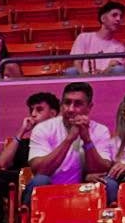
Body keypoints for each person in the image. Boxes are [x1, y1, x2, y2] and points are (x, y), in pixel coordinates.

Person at [27, 79, 117, 207]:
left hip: (85, 189)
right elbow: (40, 170)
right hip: (51, 188)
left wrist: (87, 140)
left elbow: (102, 169)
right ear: (61, 104)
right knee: (40, 181)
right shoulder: (43, 128)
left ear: (89, 107)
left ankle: (110, 219)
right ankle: (27, 220)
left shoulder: (100, 130)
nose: (70, 109)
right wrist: (69, 139)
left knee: (109, 184)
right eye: (67, 103)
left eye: (78, 104)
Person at [0, 90, 59, 223]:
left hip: (51, 182)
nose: (33, 114)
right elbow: (2, 163)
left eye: (39, 110)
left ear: (53, 114)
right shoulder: (24, 143)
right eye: (31, 110)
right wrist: (22, 131)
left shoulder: (60, 141)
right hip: (21, 184)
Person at [68, 0, 125, 75]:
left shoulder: (120, 47)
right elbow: (77, 62)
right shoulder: (83, 37)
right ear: (103, 18)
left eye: (120, 17)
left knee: (119, 69)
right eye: (114, 15)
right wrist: (83, 75)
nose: (118, 19)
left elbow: (113, 66)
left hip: (105, 78)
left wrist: (102, 74)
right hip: (83, 77)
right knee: (71, 71)